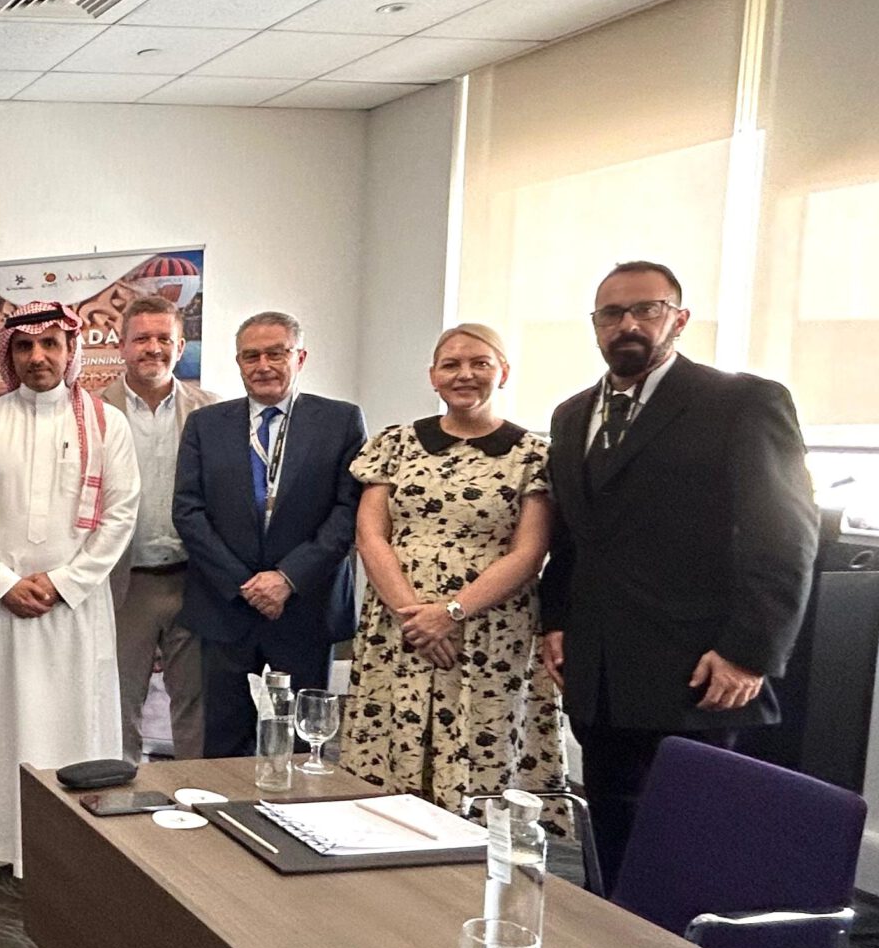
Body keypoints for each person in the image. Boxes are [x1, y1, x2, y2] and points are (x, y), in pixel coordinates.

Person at [540, 261, 817, 884]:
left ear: (679, 318)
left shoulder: (742, 402)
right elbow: (574, 534)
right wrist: (555, 621)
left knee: (688, 837)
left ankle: (672, 940)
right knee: (609, 825)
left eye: (647, 309)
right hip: (598, 665)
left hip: (696, 667)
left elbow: (785, 533)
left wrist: (749, 652)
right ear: (595, 325)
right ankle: (610, 929)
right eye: (612, 314)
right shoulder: (571, 414)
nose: (628, 325)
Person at [0, 302, 140, 882]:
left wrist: (62, 582)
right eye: (25, 346)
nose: (38, 357)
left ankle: (68, 849)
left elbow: (120, 515)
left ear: (70, 350)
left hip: (73, 608)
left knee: (75, 723)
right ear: (11, 355)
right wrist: (3, 583)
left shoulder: (106, 424)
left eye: (50, 344)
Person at [345, 324, 563, 811]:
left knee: (482, 754)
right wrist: (416, 617)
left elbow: (529, 553)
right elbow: (371, 536)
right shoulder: (394, 444)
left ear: (503, 372)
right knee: (392, 759)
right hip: (400, 626)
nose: (465, 374)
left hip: (489, 632)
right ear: (433, 376)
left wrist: (451, 612)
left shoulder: (534, 455)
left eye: (480, 363)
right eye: (451, 365)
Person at [173, 311, 367, 757]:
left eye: (276, 354)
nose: (263, 366)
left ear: (300, 357)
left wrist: (287, 578)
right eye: (251, 356)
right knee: (223, 742)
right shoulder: (206, 424)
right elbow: (188, 511)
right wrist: (245, 584)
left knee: (302, 740)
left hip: (304, 605)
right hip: (226, 605)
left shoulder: (340, 421)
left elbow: (348, 512)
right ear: (238, 363)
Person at [108, 292, 218, 761]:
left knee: (196, 704)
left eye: (164, 338)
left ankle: (196, 793)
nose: (153, 348)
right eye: (141, 339)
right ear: (121, 345)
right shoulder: (92, 411)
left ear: (181, 345)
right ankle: (116, 790)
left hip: (193, 580)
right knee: (117, 701)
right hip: (122, 581)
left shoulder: (211, 411)